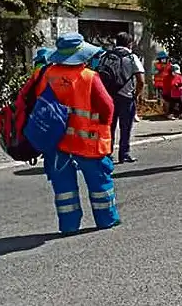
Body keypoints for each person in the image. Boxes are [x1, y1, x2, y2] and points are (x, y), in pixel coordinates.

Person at [34, 33, 119, 234]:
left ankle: (69, 225)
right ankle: (106, 219)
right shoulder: (89, 77)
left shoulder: (47, 74)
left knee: (63, 186)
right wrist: (101, 124)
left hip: (56, 140)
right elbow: (107, 107)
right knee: (99, 181)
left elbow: (40, 103)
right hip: (86, 141)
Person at [103, 32, 145, 163]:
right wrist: (136, 95)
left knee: (109, 126)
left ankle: (107, 153)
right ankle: (124, 154)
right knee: (125, 127)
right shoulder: (132, 57)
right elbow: (141, 80)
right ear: (130, 44)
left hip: (108, 96)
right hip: (126, 96)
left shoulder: (106, 56)